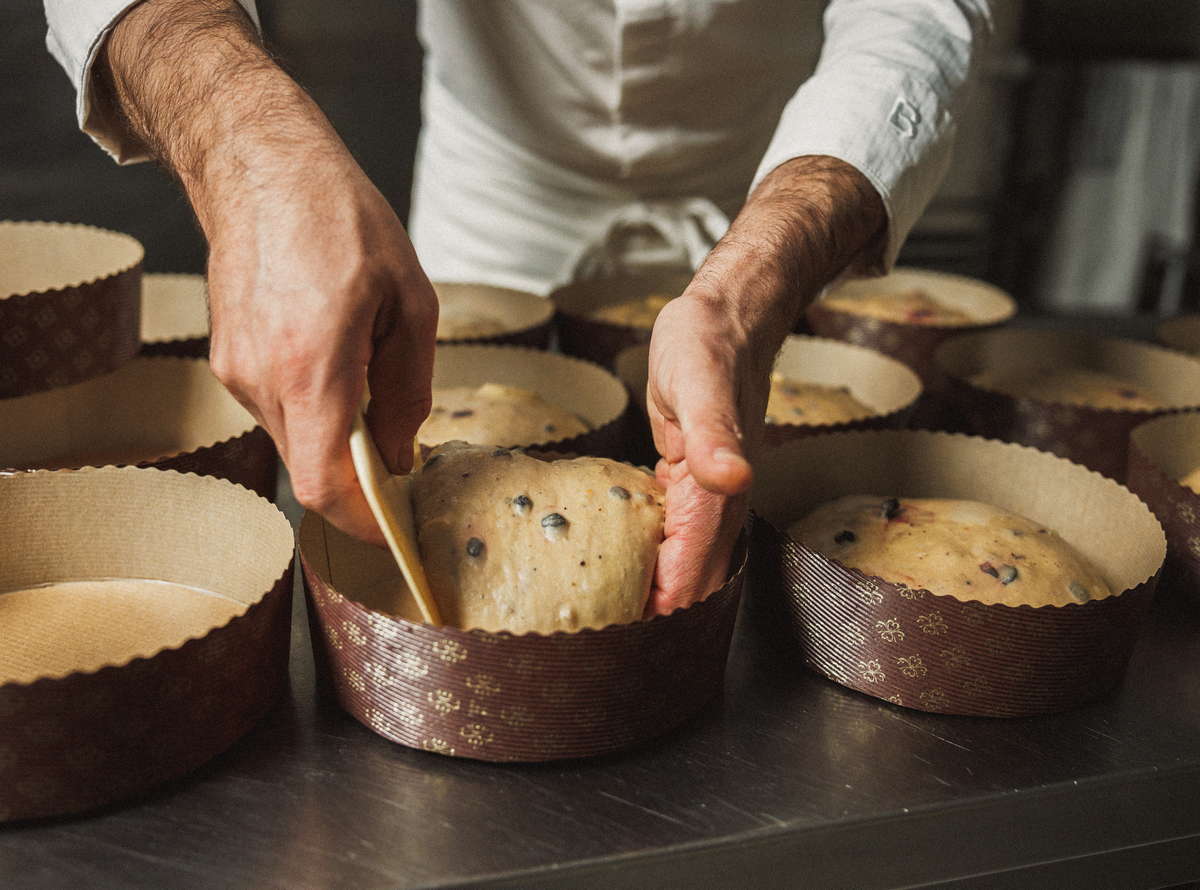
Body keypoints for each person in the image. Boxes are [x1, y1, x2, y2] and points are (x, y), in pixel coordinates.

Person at [44, 0, 990, 613]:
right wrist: (246, 151)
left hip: (778, 183)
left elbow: (912, 16)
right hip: (499, 193)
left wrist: (754, 291)